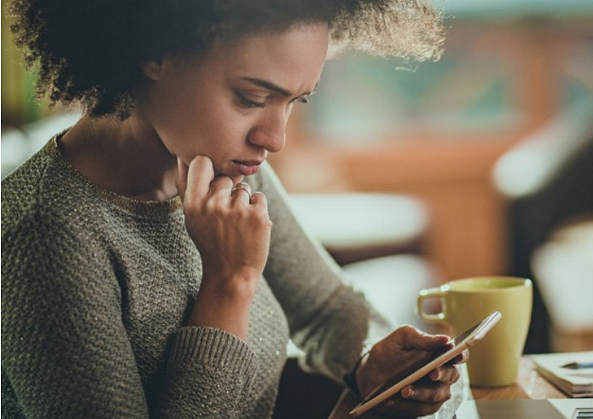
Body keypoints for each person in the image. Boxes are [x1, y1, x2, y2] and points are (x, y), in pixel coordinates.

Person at [1, 0, 467, 418]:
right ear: (155, 52)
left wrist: (370, 362)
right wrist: (228, 286)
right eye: (252, 98)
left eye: (294, 101)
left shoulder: (221, 164)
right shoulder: (43, 237)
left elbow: (326, 309)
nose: (275, 139)